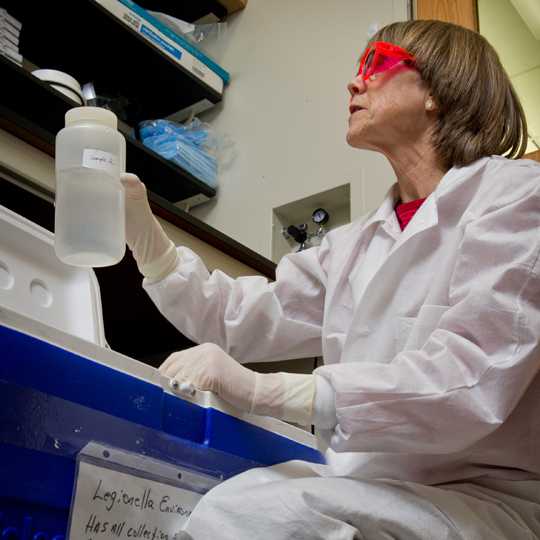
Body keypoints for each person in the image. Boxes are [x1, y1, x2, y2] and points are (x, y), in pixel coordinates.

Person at [121, 19, 540, 540]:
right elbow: (237, 319)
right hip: (379, 493)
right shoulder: (355, 244)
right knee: (235, 501)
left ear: (437, 90)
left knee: (255, 514)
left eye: (376, 64)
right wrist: (149, 246)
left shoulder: (517, 196)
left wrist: (262, 389)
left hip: (483, 502)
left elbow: (470, 379)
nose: (354, 81)